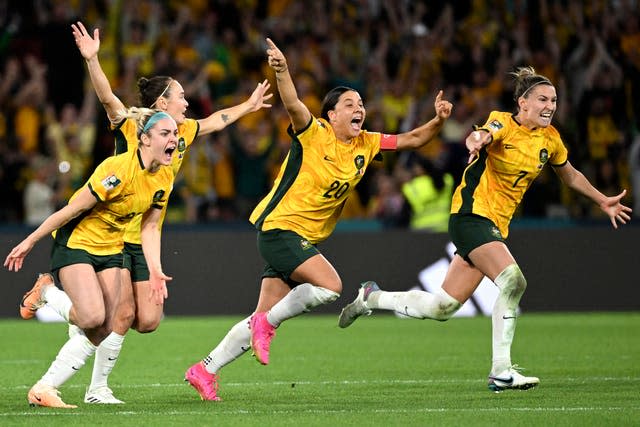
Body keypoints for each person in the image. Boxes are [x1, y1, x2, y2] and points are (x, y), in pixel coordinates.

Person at [17, 20, 273, 405]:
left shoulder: (181, 133)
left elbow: (215, 121)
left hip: (144, 233)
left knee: (147, 321)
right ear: (160, 107)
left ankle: (72, 330)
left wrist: (248, 106)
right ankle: (96, 388)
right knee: (108, 317)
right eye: (181, 96)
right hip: (115, 234)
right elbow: (107, 99)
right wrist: (93, 60)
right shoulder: (135, 131)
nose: (187, 102)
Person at [183, 37, 452, 401]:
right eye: (349, 104)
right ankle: (268, 323)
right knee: (330, 287)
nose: (359, 109)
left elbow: (414, 139)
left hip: (300, 238)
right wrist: (283, 70)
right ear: (331, 115)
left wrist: (438, 119)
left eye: (361, 104)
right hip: (280, 229)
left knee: (258, 317)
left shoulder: (367, 144)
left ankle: (204, 370)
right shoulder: (314, 133)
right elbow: (292, 102)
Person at [338, 66, 632, 392]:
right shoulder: (503, 122)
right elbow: (483, 134)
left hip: (493, 225)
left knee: (443, 307)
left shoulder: (551, 139)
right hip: (471, 215)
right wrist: (476, 139)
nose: (550, 105)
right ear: (523, 103)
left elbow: (571, 175)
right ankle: (501, 370)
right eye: (543, 99)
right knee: (513, 280)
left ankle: (371, 297)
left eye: (554, 100)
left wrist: (602, 200)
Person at [6, 107, 178, 408]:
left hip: (112, 249)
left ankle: (44, 388)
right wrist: (31, 240)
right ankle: (46, 292)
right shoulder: (117, 170)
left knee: (105, 327)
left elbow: (150, 226)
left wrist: (155, 269)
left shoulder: (164, 177)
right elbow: (71, 209)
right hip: (77, 244)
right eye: (166, 133)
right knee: (91, 318)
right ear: (144, 139)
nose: (174, 139)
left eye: (175, 134)